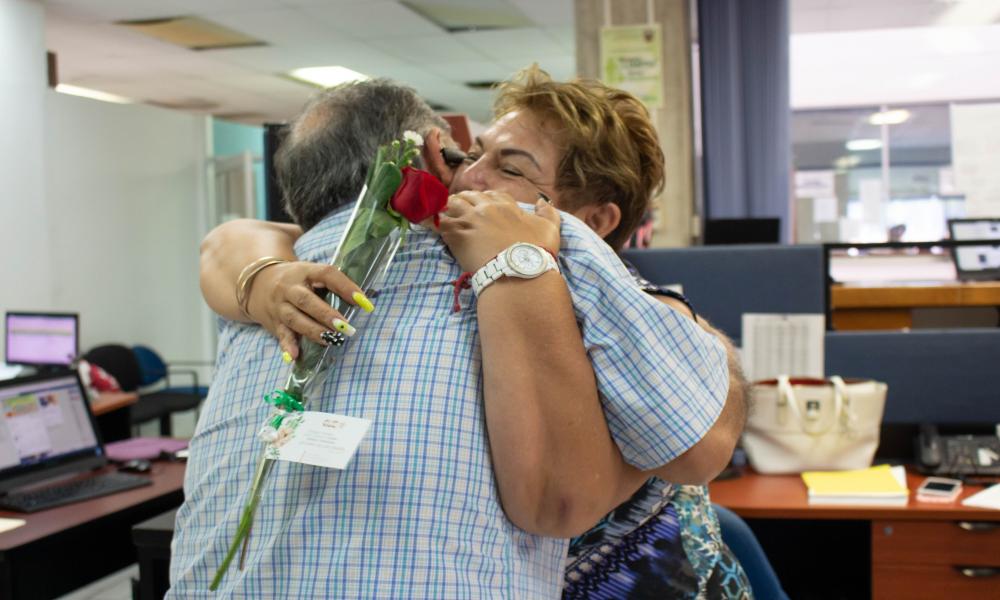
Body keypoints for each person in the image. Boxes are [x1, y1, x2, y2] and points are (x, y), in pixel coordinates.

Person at [178, 71, 744, 598]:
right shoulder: (337, 267)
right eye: (471, 156)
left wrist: (519, 263)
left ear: (594, 223)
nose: (469, 178)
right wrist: (260, 274)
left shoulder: (595, 299)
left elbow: (688, 441)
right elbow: (240, 240)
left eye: (512, 168)